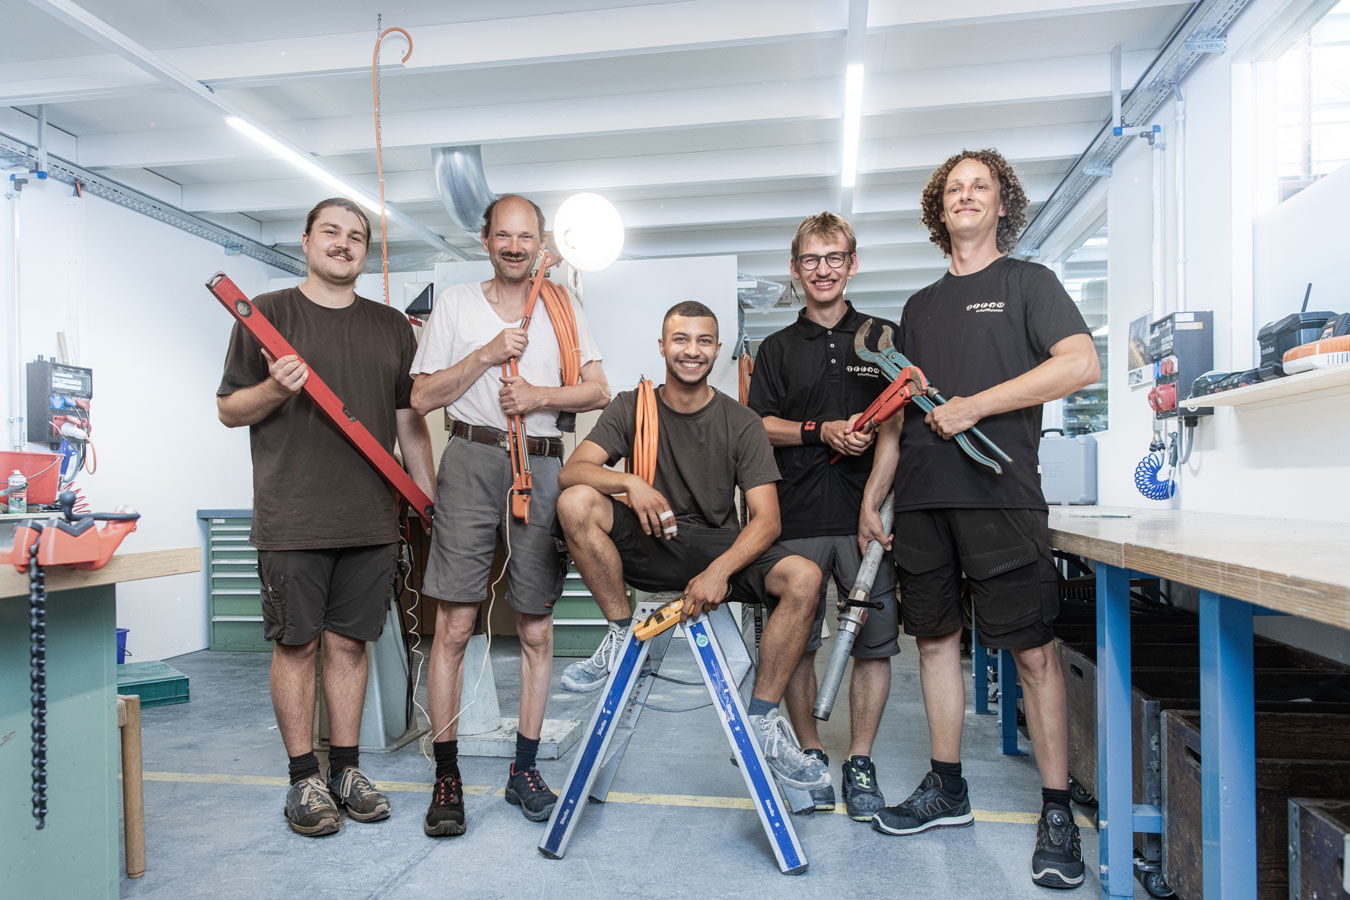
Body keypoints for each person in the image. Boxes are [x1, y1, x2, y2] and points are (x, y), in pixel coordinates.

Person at [859, 149, 1099, 890]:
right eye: (953, 189)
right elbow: (901, 414)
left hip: (1001, 496)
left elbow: (1080, 363)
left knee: (1032, 653)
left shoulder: (1030, 284)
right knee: (934, 644)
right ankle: (947, 787)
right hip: (925, 502)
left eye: (980, 187)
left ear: (1002, 205)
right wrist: (874, 496)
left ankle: (1056, 809)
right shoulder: (919, 309)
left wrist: (979, 403)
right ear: (940, 210)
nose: (966, 197)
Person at [217, 197, 436, 837]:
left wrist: (426, 497)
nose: (344, 244)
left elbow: (407, 422)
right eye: (332, 232)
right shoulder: (265, 317)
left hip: (371, 516)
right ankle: (301, 780)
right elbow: (230, 410)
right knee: (297, 645)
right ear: (307, 240)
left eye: (357, 236)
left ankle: (346, 770)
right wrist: (276, 388)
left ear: (366, 251)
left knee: (349, 645)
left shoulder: (394, 326)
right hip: (293, 515)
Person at [554, 301, 829, 792]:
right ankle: (620, 634)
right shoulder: (630, 406)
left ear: (717, 350)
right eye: (681, 339)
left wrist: (720, 570)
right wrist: (630, 483)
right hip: (650, 542)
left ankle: (763, 720)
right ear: (662, 346)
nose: (692, 350)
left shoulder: (741, 421)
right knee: (577, 501)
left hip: (715, 546)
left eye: (703, 341)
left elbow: (767, 521)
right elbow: (572, 472)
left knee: (805, 577)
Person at [409, 194, 610, 837]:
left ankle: (524, 770)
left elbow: (598, 390)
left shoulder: (563, 305)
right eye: (504, 235)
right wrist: (487, 355)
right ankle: (447, 775)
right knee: (454, 626)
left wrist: (540, 394)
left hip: (544, 464)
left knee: (536, 627)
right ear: (485, 238)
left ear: (540, 240)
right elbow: (421, 395)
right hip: (470, 460)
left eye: (527, 236)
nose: (516, 246)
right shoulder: (458, 304)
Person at [747, 212, 902, 820]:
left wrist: (873, 500)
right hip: (799, 516)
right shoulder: (777, 349)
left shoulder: (883, 338)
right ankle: (810, 753)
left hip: (869, 519)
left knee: (875, 644)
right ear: (795, 270)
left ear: (852, 263)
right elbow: (758, 426)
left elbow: (895, 426)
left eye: (834, 257)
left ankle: (859, 761)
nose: (823, 270)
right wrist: (821, 431)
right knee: (799, 645)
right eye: (810, 260)